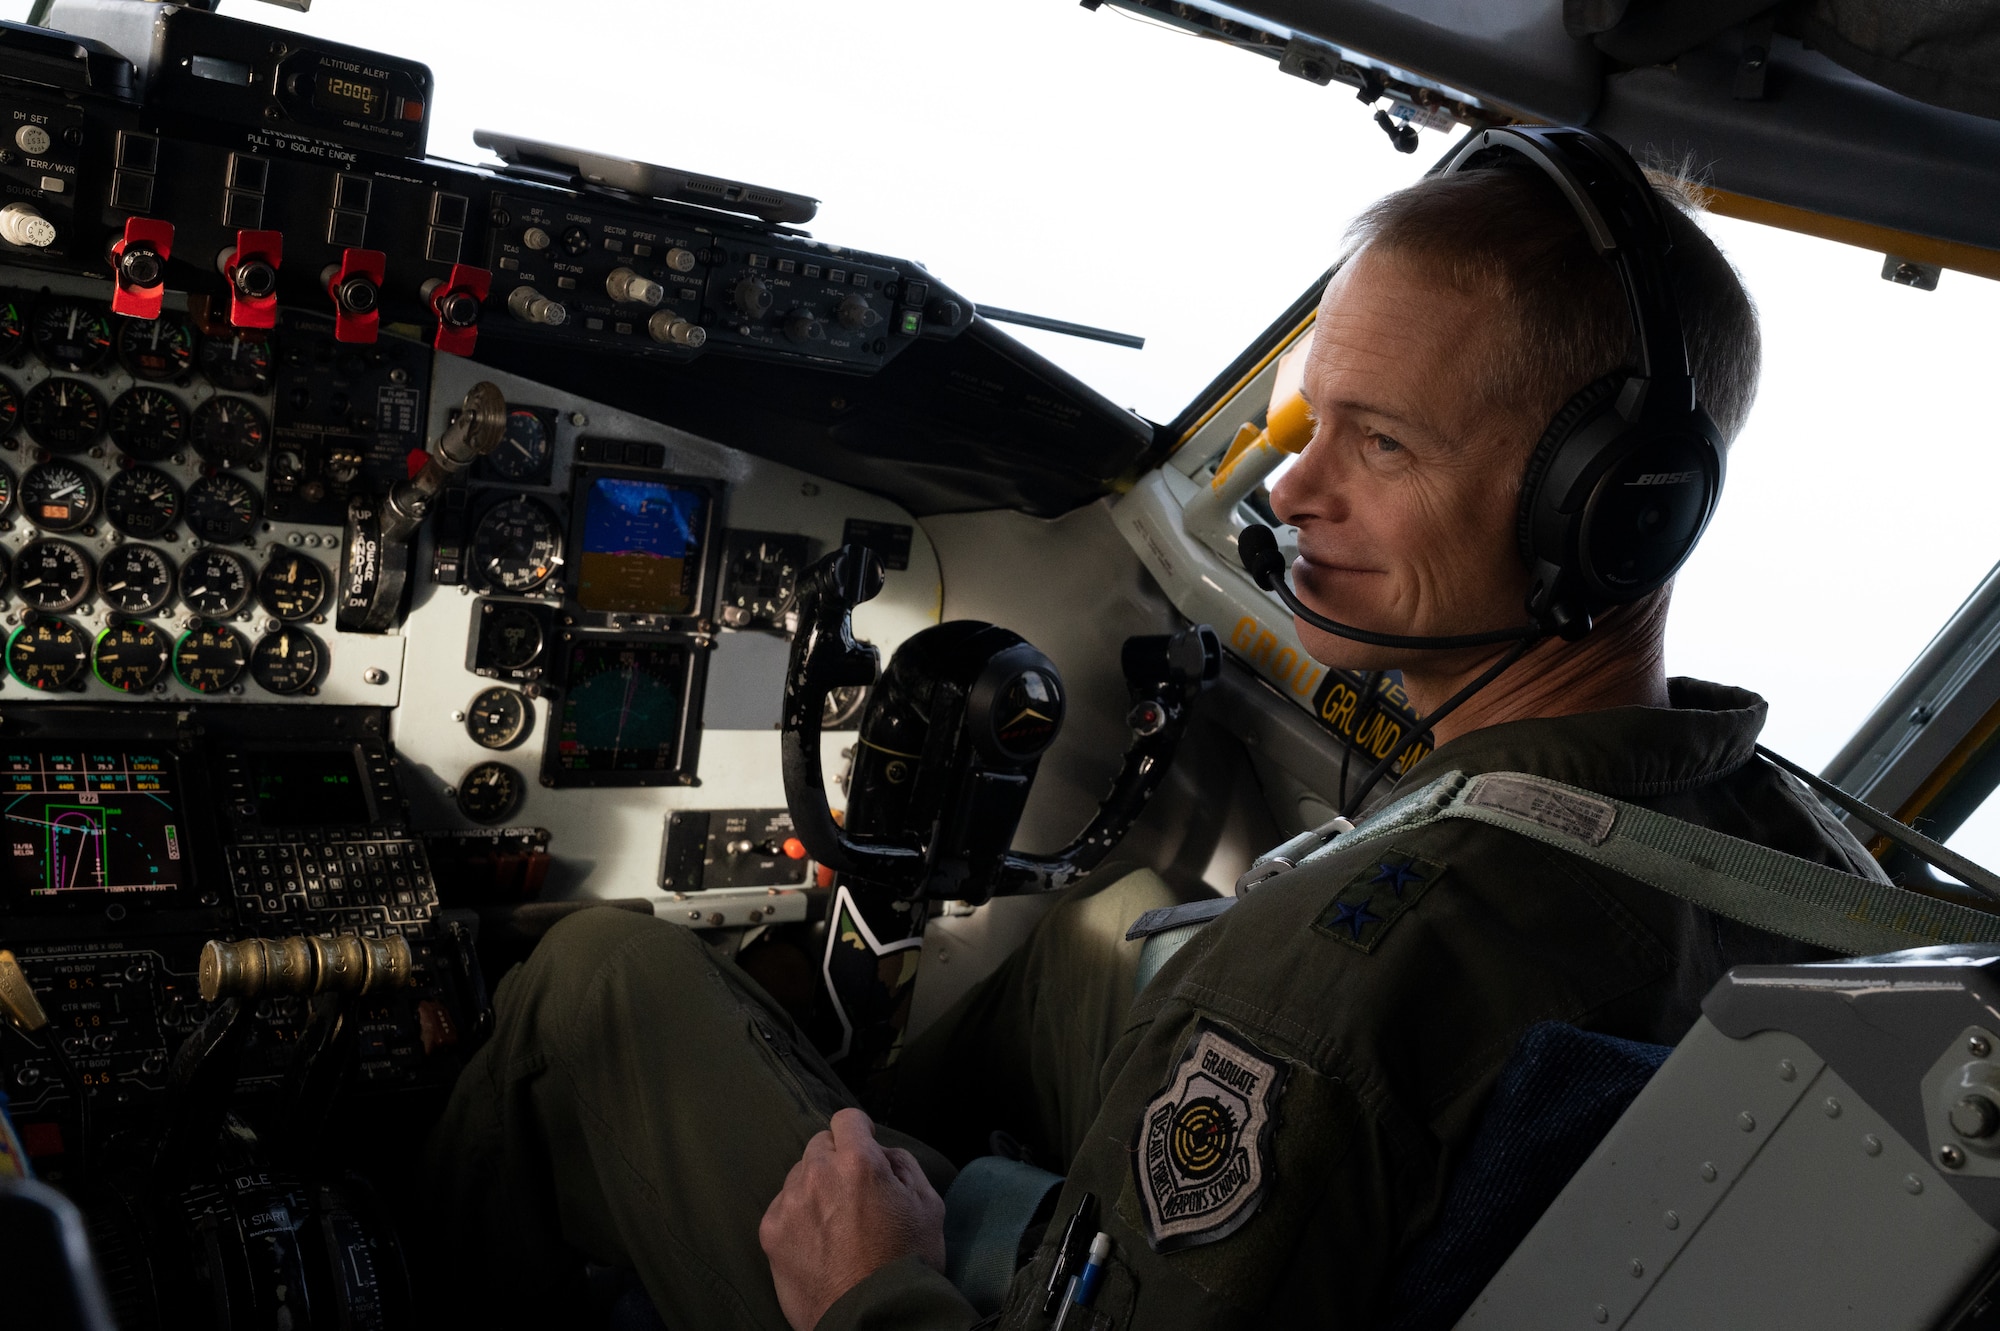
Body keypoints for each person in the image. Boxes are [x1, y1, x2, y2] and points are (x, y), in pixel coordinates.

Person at [425, 145, 1885, 1330]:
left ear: (1612, 515)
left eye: (1382, 444)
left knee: (595, 983)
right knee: (1096, 926)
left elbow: (1313, 1027)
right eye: (1312, 422)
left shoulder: (1329, 989)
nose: (1292, 491)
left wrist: (875, 1291)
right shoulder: (1794, 856)